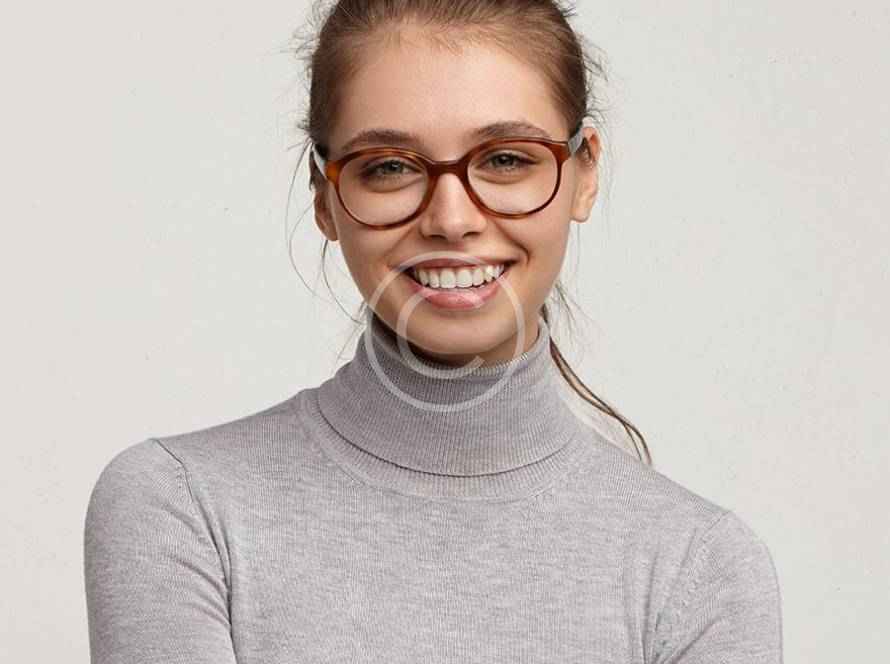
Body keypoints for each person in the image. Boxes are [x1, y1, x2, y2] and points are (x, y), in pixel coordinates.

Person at [83, 1, 784, 662]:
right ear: (325, 196)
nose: (451, 219)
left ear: (584, 172)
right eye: (389, 168)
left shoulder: (699, 567)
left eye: (506, 159)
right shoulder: (182, 508)